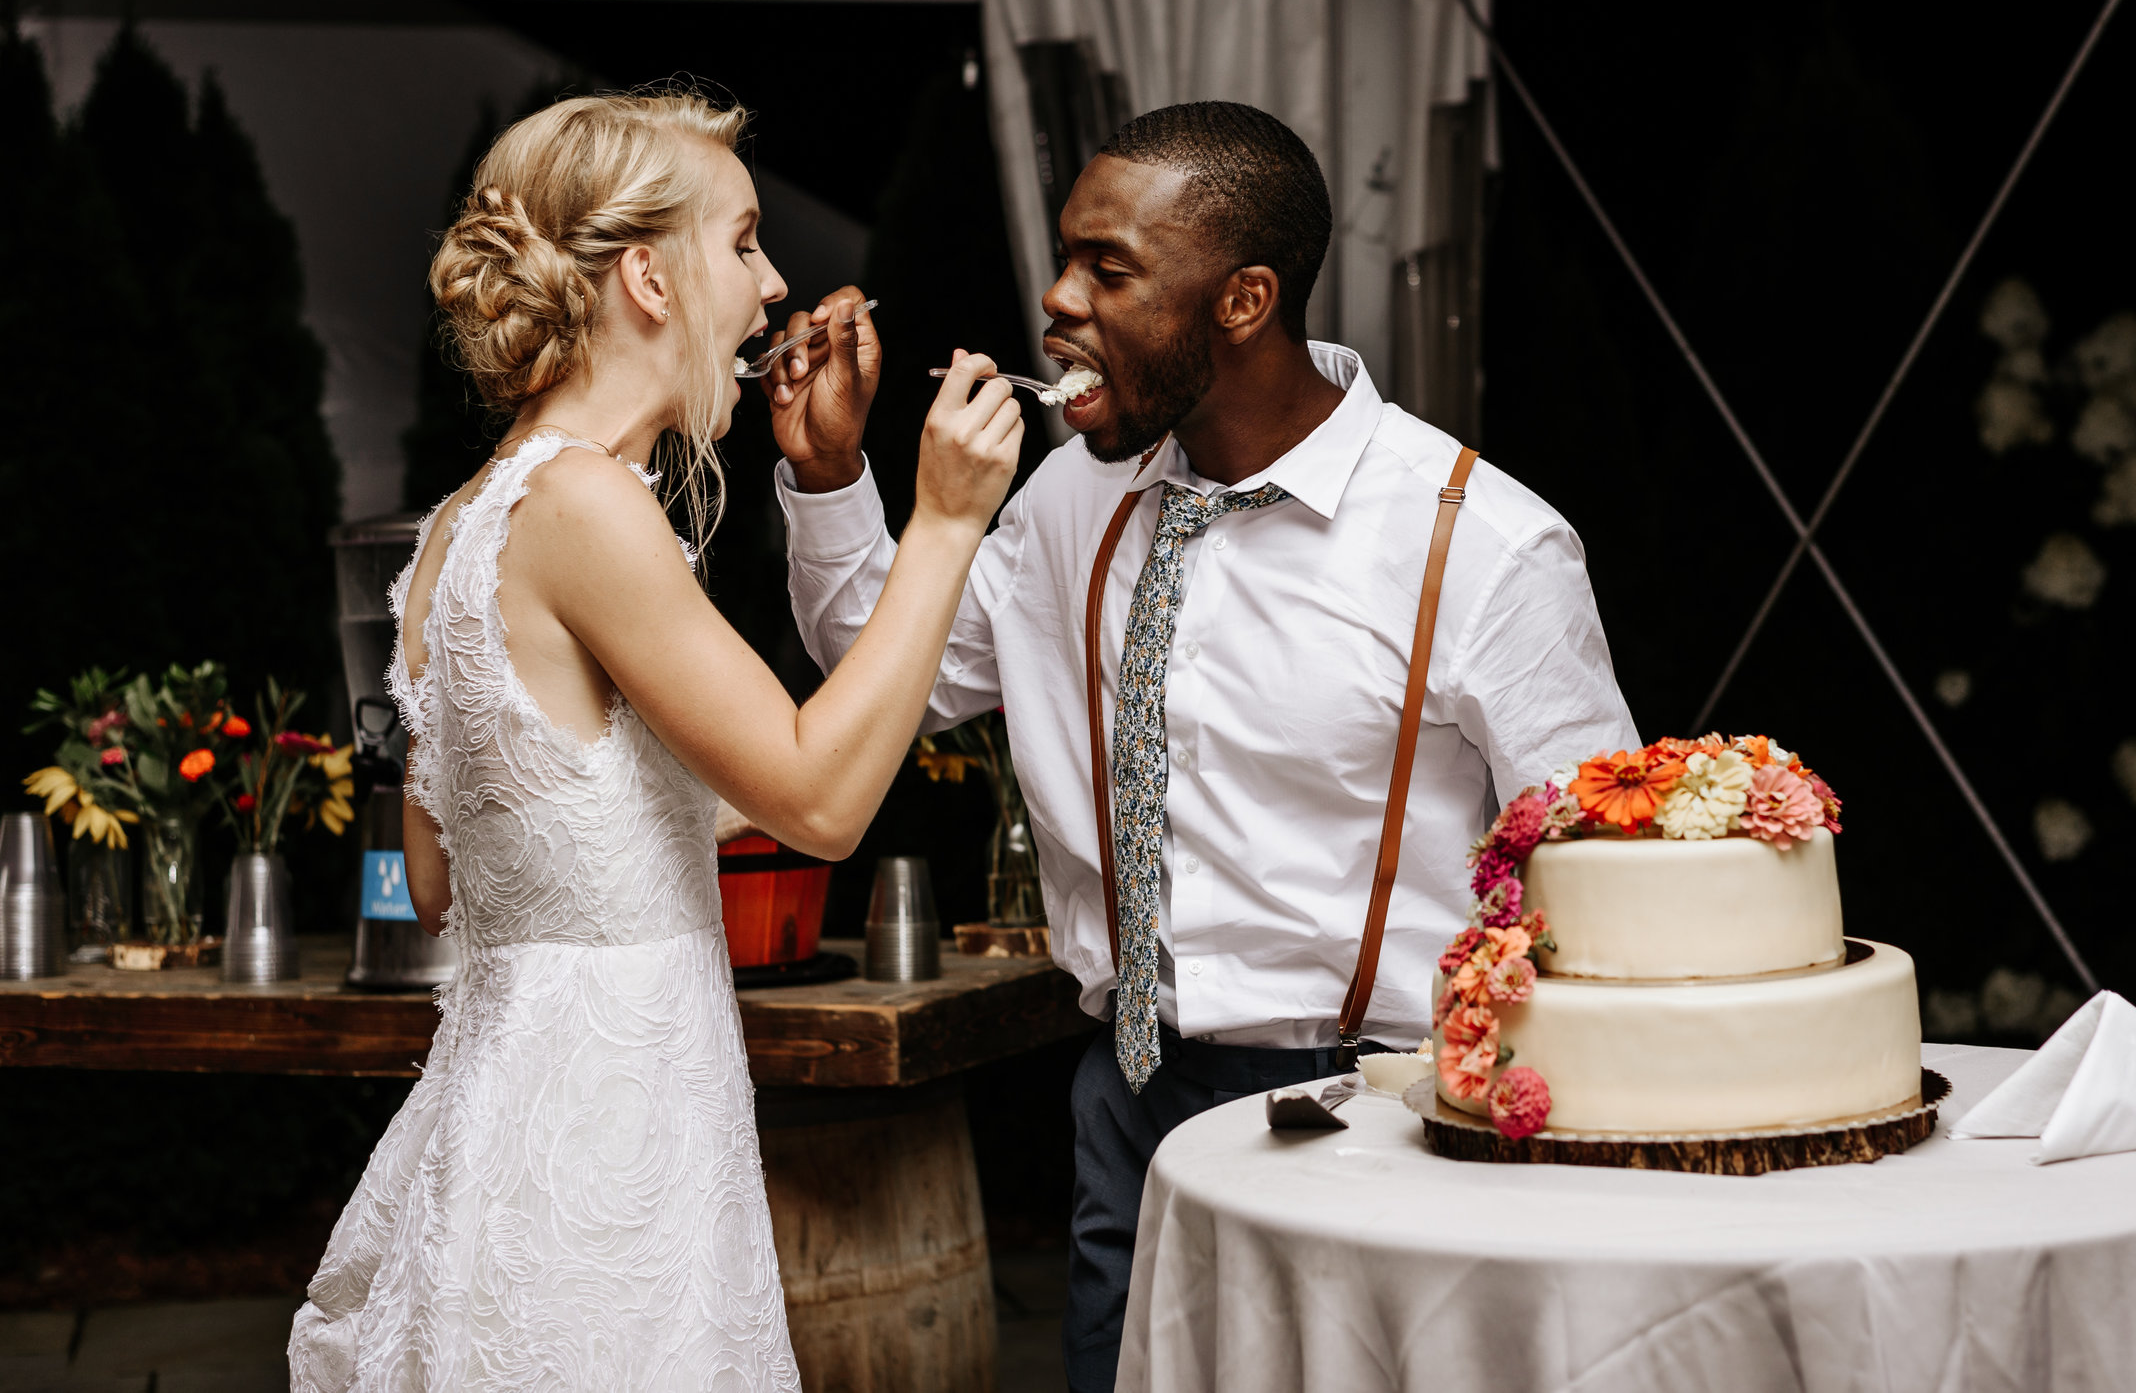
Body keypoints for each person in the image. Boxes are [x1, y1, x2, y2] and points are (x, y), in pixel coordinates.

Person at [767, 99, 1638, 1389]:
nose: (1057, 300)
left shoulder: (1480, 542)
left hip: (1375, 1117)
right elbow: (893, 678)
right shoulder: (1072, 494)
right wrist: (833, 477)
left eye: (1108, 268)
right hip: (1127, 1111)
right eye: (1065, 257)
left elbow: (1599, 873)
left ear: (1243, 301)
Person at [287, 92, 1025, 1392]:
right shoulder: (584, 507)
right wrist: (947, 523)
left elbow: (456, 871)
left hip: (507, 1118)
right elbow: (823, 802)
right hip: (606, 1156)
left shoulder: (466, 522)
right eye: (742, 244)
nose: (774, 282)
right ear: (646, 275)